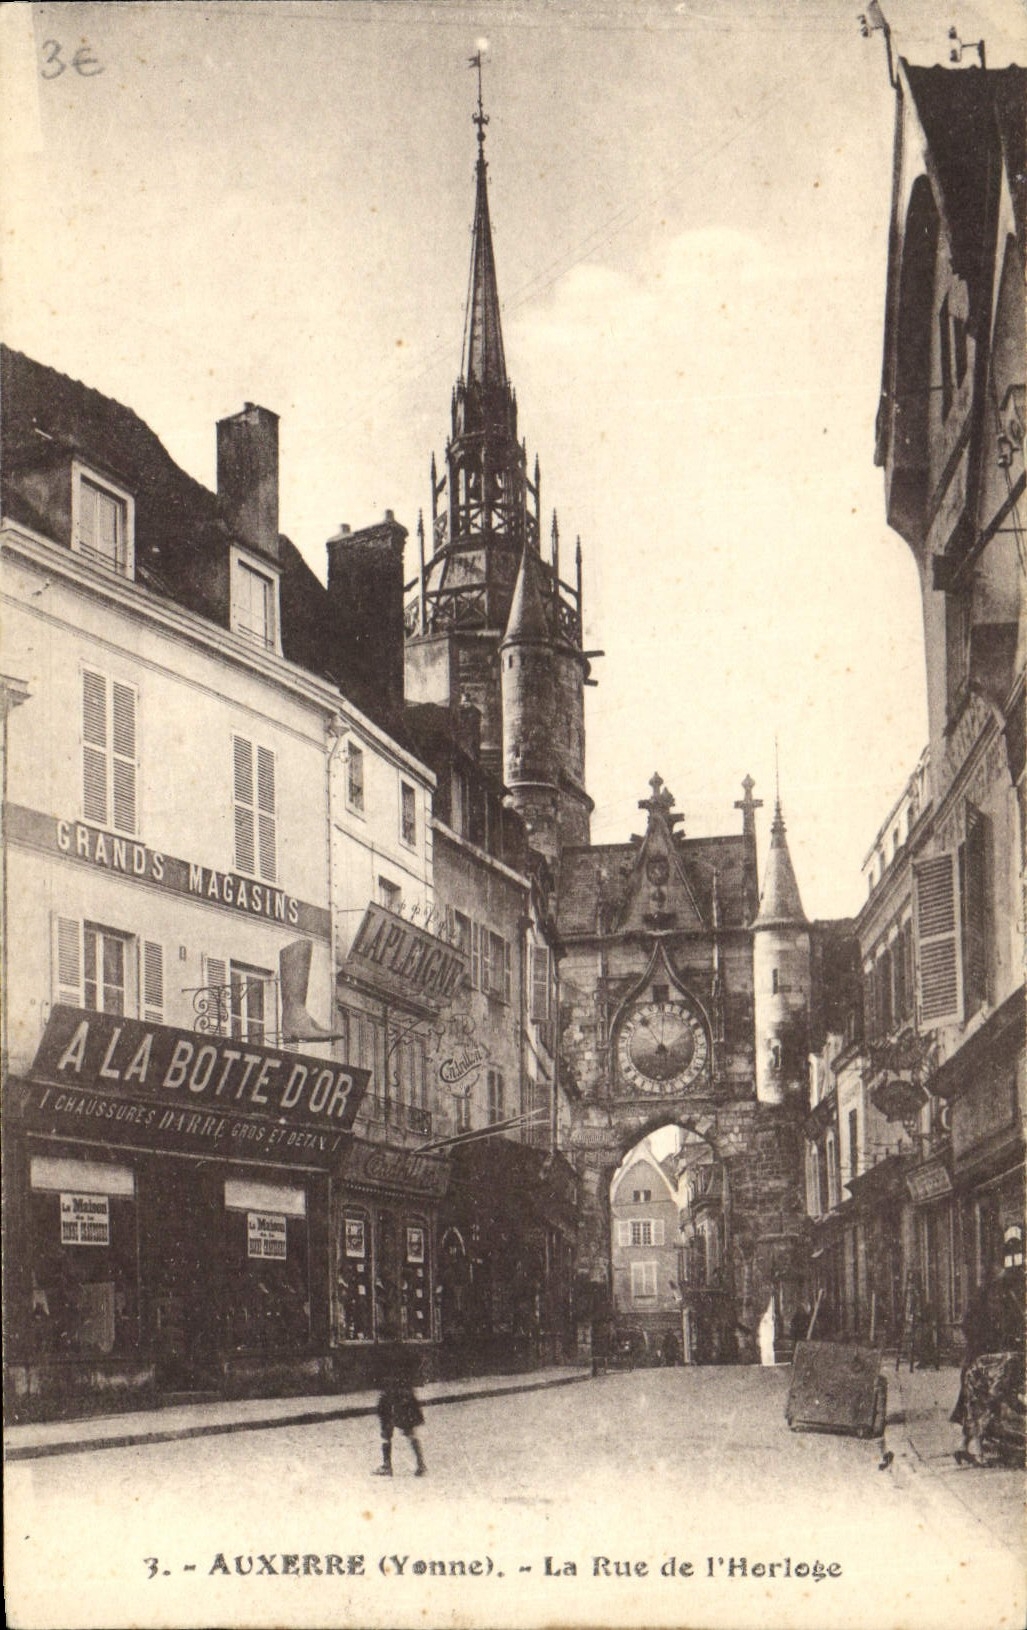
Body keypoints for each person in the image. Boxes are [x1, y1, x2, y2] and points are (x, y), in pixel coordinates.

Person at [952, 1260, 1025, 1466]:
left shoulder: (1005, 1300)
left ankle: (965, 1443)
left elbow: (1017, 1325)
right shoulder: (983, 1300)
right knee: (985, 1399)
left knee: (975, 1400)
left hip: (991, 1361)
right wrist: (986, 1345)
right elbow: (969, 1326)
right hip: (982, 1360)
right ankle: (974, 1445)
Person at [373, 1349, 426, 1478]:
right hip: (404, 1394)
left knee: (386, 1432)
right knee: (409, 1431)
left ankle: (387, 1465)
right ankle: (420, 1463)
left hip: (392, 1394)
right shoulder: (405, 1350)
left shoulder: (383, 1352)